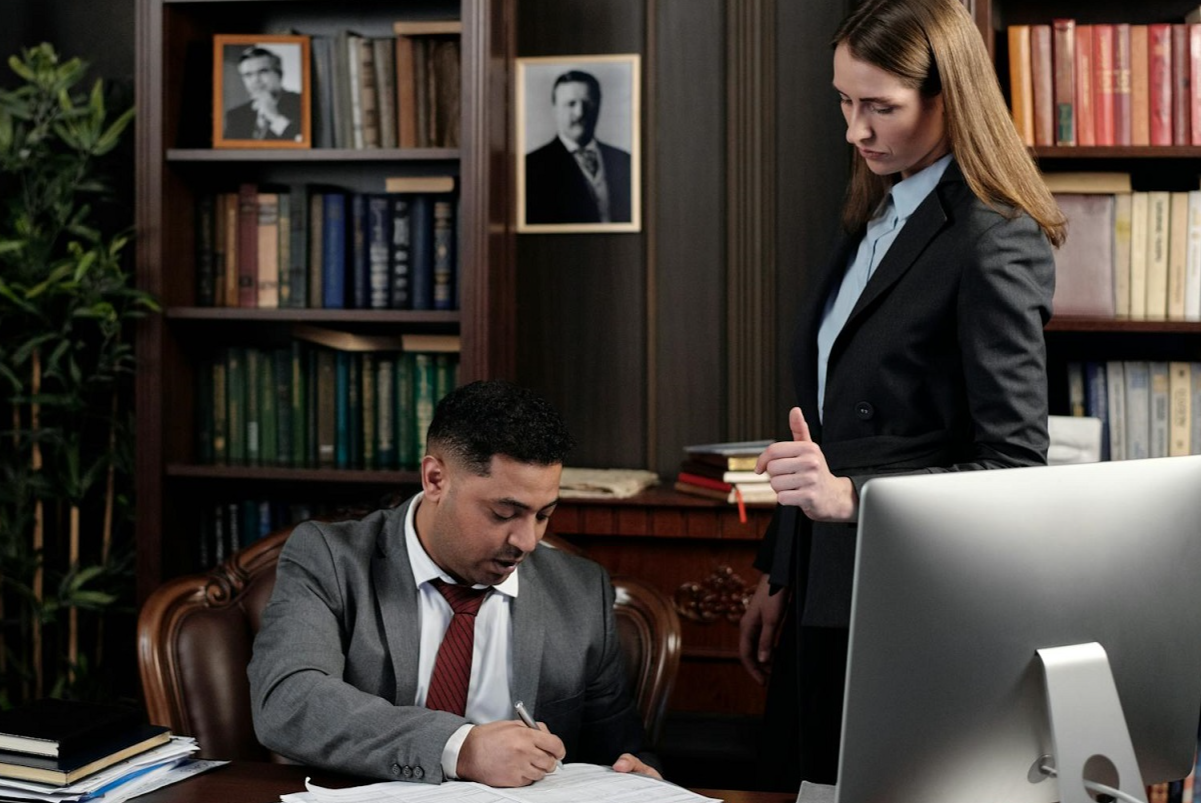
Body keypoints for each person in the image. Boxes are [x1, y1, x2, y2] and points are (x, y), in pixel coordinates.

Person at [737, 0, 1065, 791]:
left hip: (912, 600)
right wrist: (781, 570)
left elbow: (1014, 466)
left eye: (879, 107)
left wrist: (853, 500)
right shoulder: (872, 213)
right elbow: (816, 429)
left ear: (947, 98)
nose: (854, 130)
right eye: (844, 102)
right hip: (824, 578)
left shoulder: (992, 235)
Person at [248, 380, 658, 787]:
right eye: (503, 512)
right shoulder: (331, 560)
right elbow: (289, 701)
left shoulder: (580, 591)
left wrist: (639, 777)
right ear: (435, 479)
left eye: (543, 514)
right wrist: (460, 747)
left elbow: (619, 752)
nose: (527, 541)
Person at [524, 70, 632, 225]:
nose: (580, 112)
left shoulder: (624, 160)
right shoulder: (531, 167)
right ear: (555, 108)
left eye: (587, 103)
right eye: (571, 104)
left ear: (599, 105)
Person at [224, 46, 302, 141]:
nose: (255, 80)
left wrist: (275, 118)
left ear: (279, 74)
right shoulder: (235, 116)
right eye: (248, 75)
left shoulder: (301, 103)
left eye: (262, 72)